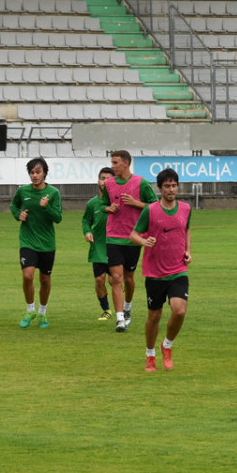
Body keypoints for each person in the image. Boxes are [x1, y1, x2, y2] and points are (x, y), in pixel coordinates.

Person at [128, 168, 192, 372]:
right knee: (154, 317)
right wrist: (144, 241)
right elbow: (133, 235)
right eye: (167, 186)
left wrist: (188, 250)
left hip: (178, 270)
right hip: (154, 272)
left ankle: (167, 345)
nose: (171, 189)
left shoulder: (185, 208)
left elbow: (187, 229)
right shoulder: (151, 210)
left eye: (174, 186)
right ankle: (150, 354)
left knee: (180, 311)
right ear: (160, 188)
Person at [103, 150, 158, 333]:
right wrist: (109, 208)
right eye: (112, 162)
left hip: (133, 237)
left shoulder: (140, 183)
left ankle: (127, 307)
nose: (112, 166)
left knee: (128, 278)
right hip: (113, 236)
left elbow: (155, 206)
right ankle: (119, 319)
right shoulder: (109, 184)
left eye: (115, 162)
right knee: (116, 278)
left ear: (126, 163)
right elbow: (103, 204)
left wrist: (136, 203)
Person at [10, 157, 62, 329]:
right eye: (32, 172)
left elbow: (58, 218)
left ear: (45, 173)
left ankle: (42, 312)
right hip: (28, 240)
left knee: (45, 279)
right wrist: (19, 215)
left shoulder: (53, 193)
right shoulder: (22, 192)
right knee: (27, 275)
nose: (35, 175)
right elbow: (13, 206)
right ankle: (30, 309)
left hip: (47, 243)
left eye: (38, 172)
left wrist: (46, 207)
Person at [82, 167, 115, 321]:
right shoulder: (92, 203)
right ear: (98, 181)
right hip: (98, 247)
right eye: (102, 178)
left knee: (114, 279)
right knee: (99, 280)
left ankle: (122, 310)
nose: (105, 181)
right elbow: (86, 220)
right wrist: (87, 231)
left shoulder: (118, 202)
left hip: (116, 245)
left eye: (108, 178)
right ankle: (107, 310)